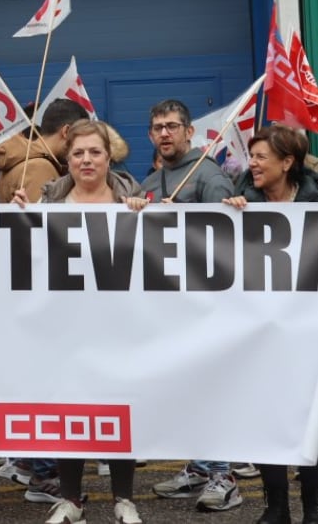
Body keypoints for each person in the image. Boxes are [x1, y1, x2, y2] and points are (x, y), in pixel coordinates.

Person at [11, 121, 142, 524]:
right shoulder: (48, 203)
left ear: (108, 156)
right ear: (67, 160)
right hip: (63, 326)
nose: (86, 160)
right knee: (71, 407)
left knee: (120, 407)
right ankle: (71, 500)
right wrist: (17, 218)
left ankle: (123, 499)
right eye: (78, 153)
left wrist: (145, 214)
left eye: (94, 152)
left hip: (119, 325)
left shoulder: (131, 201)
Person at [125, 99, 239, 511]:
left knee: (212, 387)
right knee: (189, 388)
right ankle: (201, 466)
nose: (165, 133)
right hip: (168, 304)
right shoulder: (153, 180)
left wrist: (185, 216)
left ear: (190, 132)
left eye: (173, 126)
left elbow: (225, 238)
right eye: (158, 127)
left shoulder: (208, 174)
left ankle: (225, 475)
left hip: (207, 303)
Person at [222, 125, 318, 523]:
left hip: (308, 330)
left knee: (310, 421)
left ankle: (313, 507)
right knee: (266, 418)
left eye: (262, 157)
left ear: (287, 162)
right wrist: (227, 213)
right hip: (260, 331)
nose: (253, 164)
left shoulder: (314, 200)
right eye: (252, 157)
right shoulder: (242, 198)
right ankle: (276, 506)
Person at [0, 98, 88, 203]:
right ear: (66, 131)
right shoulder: (40, 167)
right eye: (80, 135)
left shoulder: (24, 159)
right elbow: (41, 218)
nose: (83, 144)